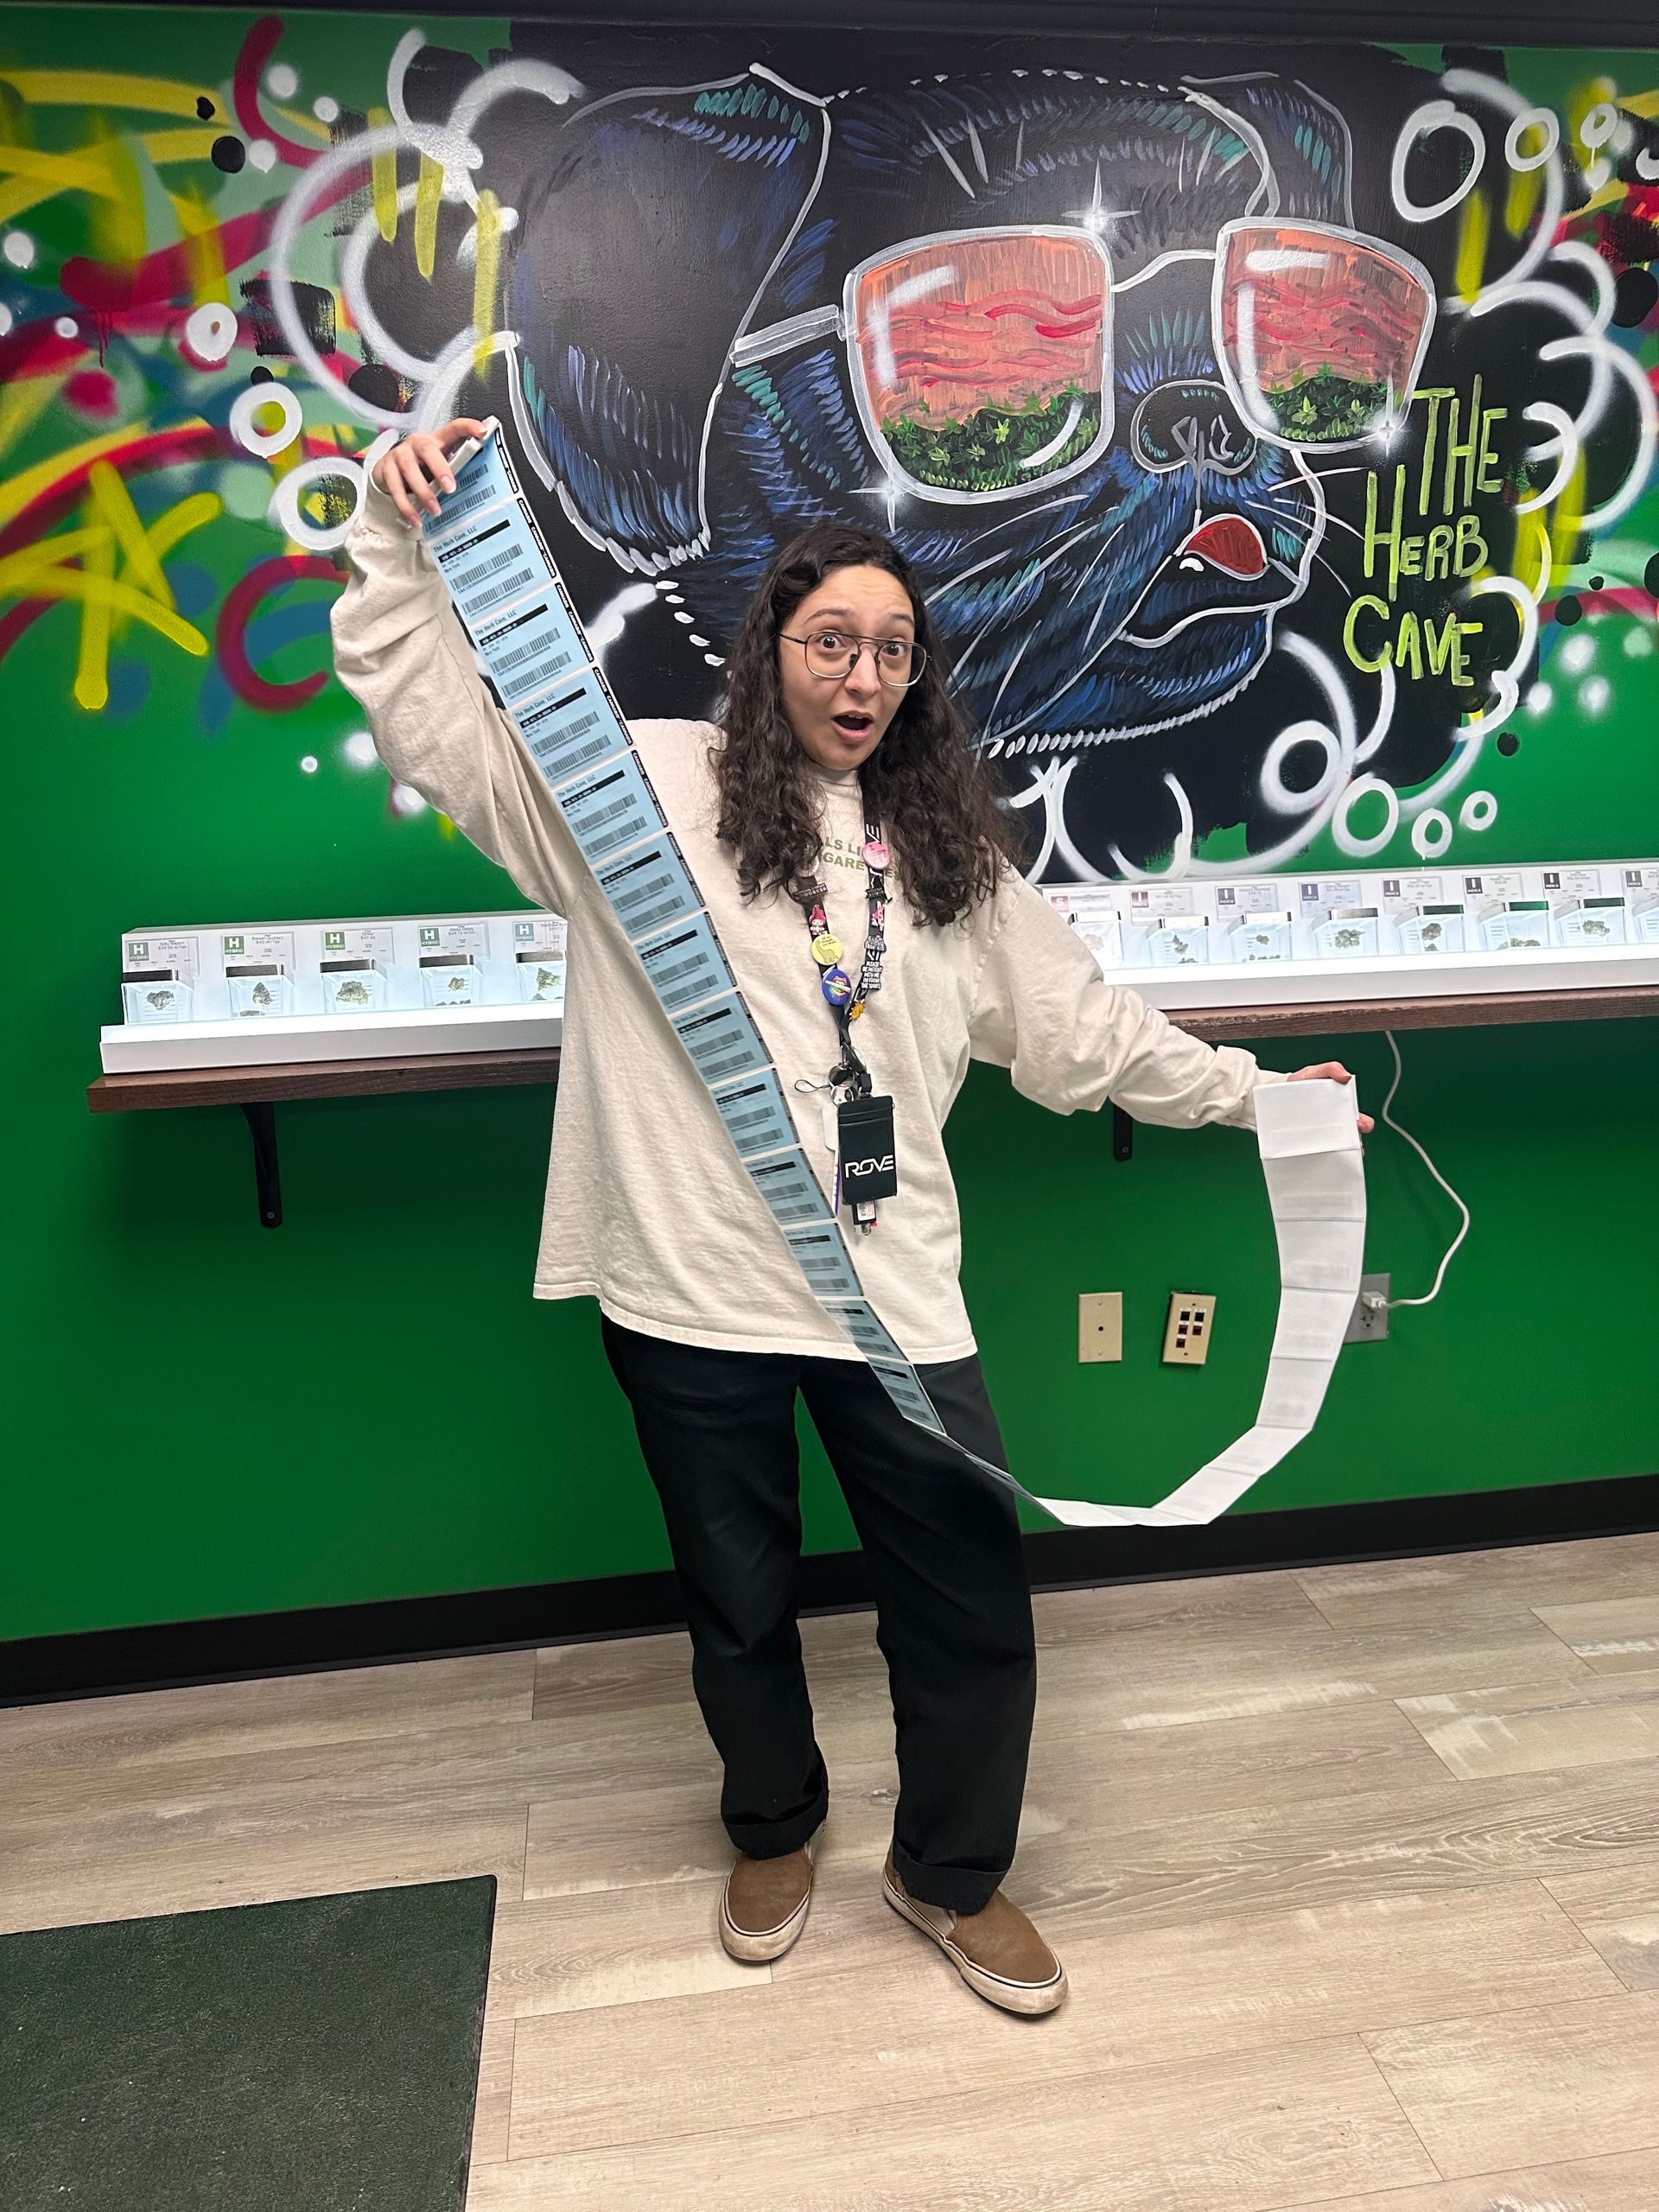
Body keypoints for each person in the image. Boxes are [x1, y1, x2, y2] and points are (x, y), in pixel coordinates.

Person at [332, 418, 1371, 2018]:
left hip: (892, 1300)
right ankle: (773, 1829)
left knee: (968, 1600)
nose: (863, 674)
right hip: (686, 1291)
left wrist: (1257, 1096)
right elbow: (443, 735)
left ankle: (950, 1873)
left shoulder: (950, 857)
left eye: (893, 647)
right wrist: (392, 538)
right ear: (772, 652)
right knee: (737, 1600)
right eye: (831, 640)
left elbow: (1088, 1034)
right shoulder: (650, 788)